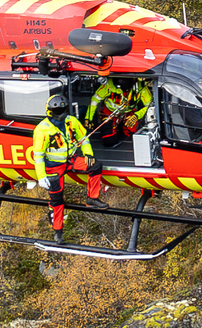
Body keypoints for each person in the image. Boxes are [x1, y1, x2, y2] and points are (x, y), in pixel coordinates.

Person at [32, 91, 99, 237]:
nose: (60, 114)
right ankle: (58, 231)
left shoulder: (72, 121)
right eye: (57, 111)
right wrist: (41, 176)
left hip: (70, 160)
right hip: (53, 167)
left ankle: (92, 198)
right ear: (49, 111)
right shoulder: (42, 129)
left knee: (95, 166)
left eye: (62, 110)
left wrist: (88, 154)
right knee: (57, 200)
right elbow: (38, 155)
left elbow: (84, 138)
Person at [84, 76, 152, 146]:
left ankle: (122, 129)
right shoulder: (108, 84)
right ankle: (115, 130)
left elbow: (150, 105)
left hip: (129, 114)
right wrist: (88, 118)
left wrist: (137, 115)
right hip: (110, 114)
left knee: (135, 136)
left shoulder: (140, 86)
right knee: (108, 141)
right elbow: (95, 100)